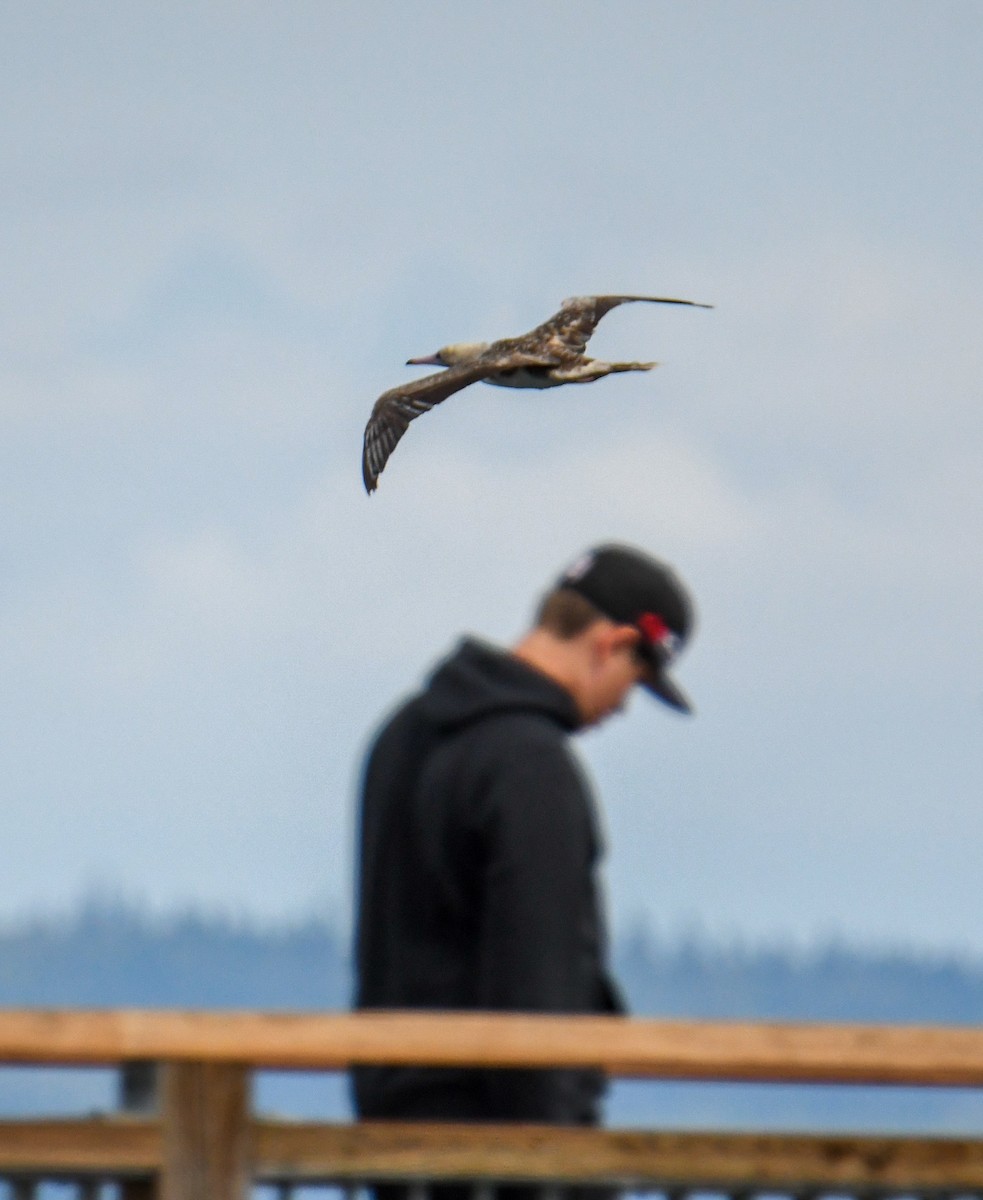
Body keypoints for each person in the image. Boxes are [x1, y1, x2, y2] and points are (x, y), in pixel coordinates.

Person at [351, 542, 696, 1137]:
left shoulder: (401, 735)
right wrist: (560, 1157)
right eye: (636, 680)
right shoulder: (532, 768)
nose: (622, 708)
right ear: (609, 645)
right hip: (502, 1149)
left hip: (393, 1133)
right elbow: (542, 979)